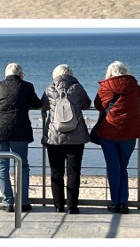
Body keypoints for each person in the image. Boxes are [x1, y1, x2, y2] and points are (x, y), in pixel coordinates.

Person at [93, 61, 140, 214]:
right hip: (129, 133)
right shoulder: (134, 86)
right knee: (123, 168)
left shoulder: (105, 87)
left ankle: (115, 203)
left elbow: (98, 105)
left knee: (113, 167)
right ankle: (123, 203)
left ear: (109, 73)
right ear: (125, 71)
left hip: (108, 132)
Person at [0, 63, 41, 212]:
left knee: (2, 165)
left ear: (6, 75)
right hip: (19, 130)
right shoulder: (27, 86)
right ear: (21, 74)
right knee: (22, 165)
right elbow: (37, 103)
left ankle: (8, 202)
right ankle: (23, 202)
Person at [41, 64, 91, 214]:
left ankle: (58, 205)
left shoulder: (49, 89)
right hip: (76, 137)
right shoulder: (78, 88)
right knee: (74, 172)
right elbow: (87, 104)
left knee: (56, 171)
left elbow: (43, 105)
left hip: (54, 137)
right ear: (71, 74)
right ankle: (72, 206)